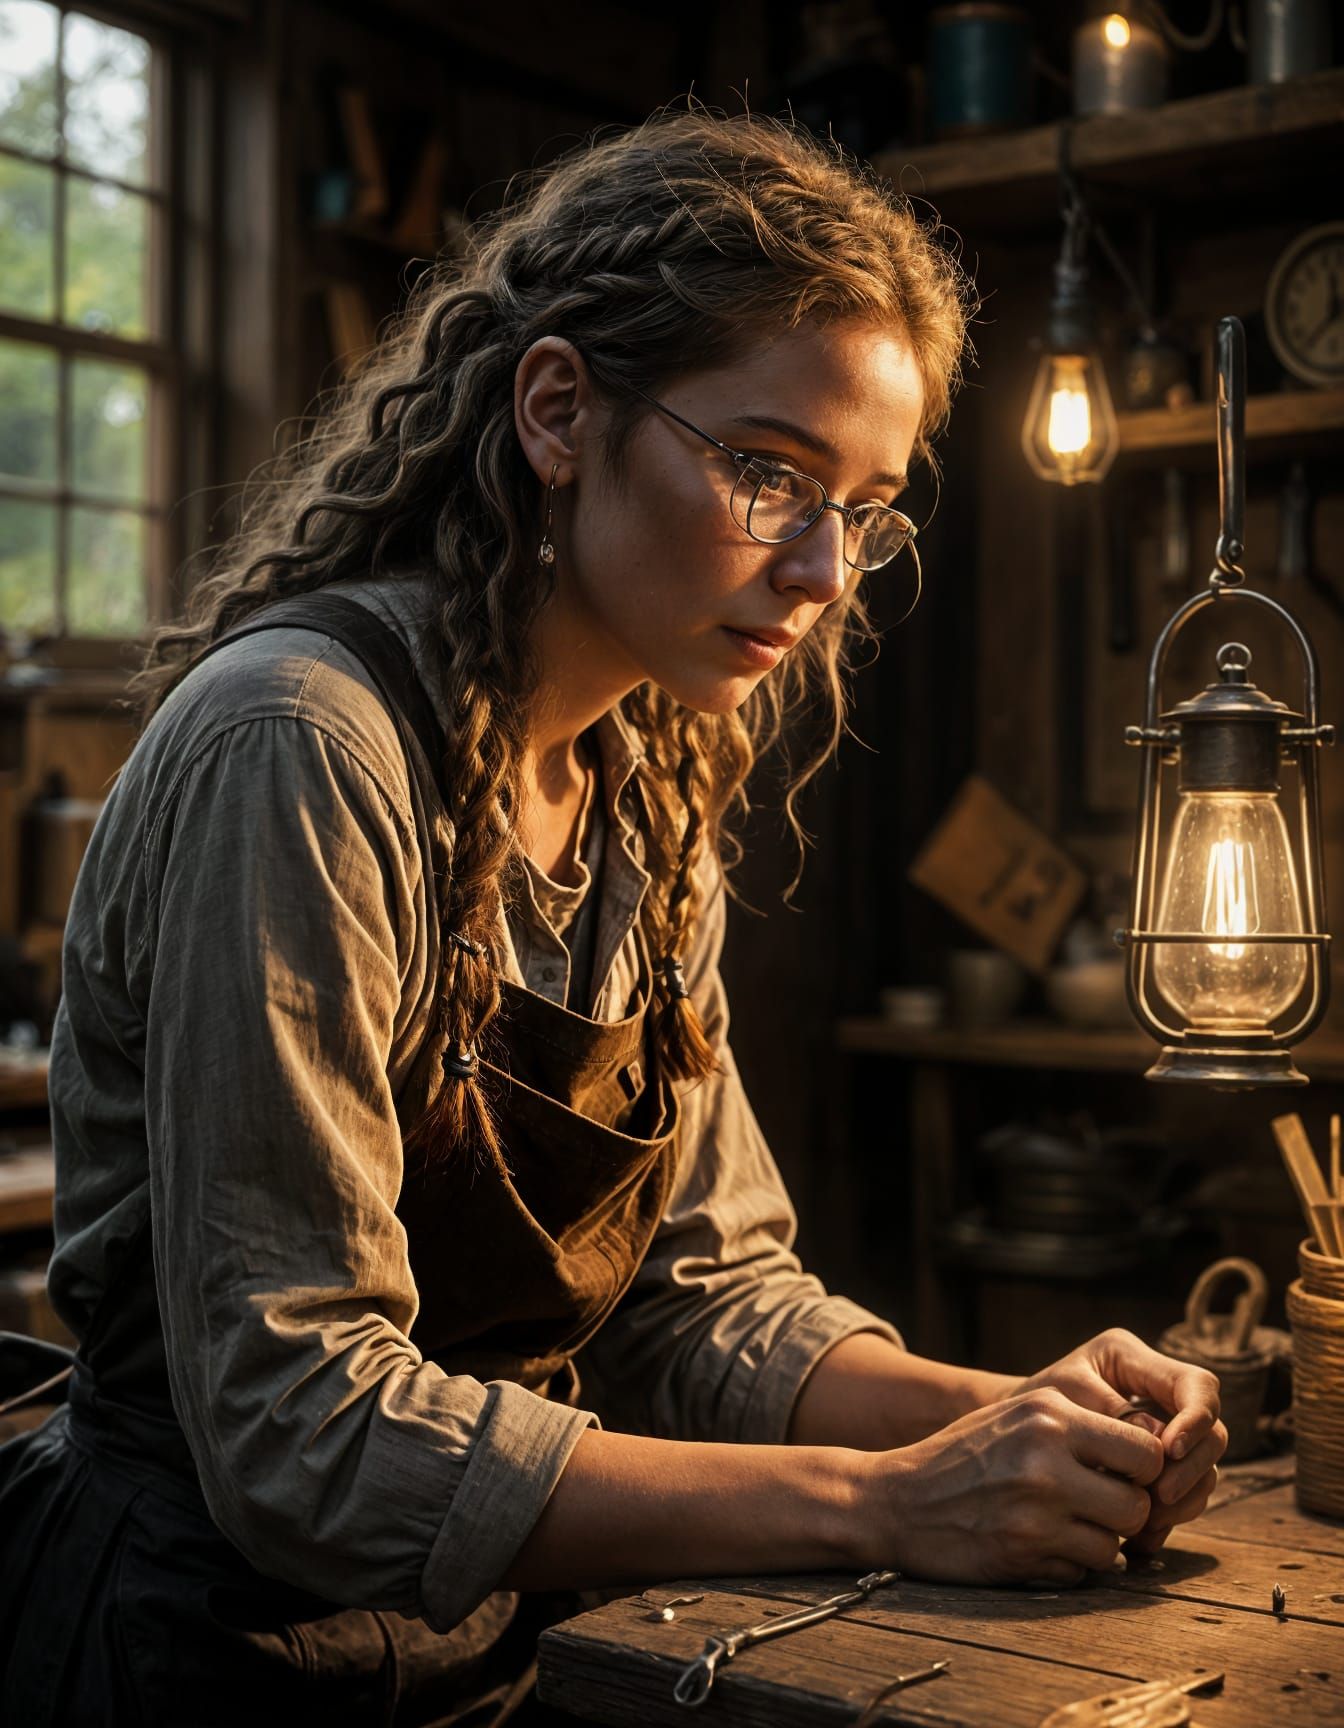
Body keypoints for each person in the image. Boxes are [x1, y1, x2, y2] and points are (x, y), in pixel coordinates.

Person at [0, 110, 1226, 1726]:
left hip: (507, 1645)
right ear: (561, 410)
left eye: (865, 506)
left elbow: (699, 1300)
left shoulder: (640, 779)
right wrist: (888, 1502)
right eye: (770, 473)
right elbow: (300, 1431)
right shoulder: (301, 744)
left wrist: (1016, 1429)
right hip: (194, 1656)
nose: (825, 571)